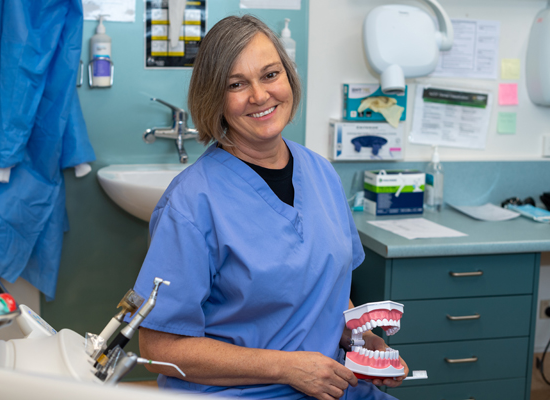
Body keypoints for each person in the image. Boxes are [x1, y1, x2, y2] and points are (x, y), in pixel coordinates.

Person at [131, 15, 408, 400]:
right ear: (215, 97)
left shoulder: (321, 173)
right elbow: (159, 350)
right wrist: (287, 367)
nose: (259, 96)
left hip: (332, 384)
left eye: (270, 75)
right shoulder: (193, 201)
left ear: (289, 79)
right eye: (236, 84)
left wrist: (360, 339)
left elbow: (327, 287)